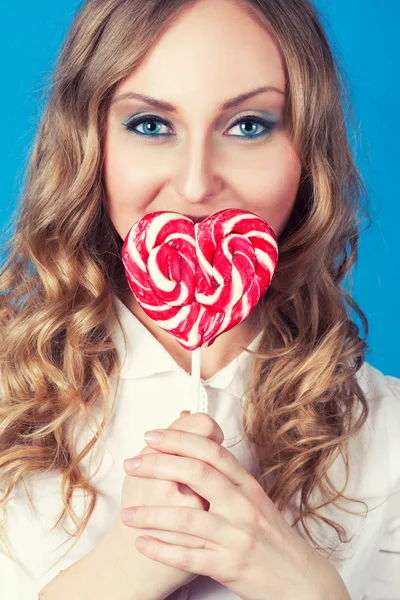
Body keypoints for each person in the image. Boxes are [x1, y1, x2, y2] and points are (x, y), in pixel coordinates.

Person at [0, 0, 399, 598]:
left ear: (307, 155)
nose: (194, 184)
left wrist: (310, 589)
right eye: (151, 125)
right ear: (91, 146)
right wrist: (128, 568)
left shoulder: (389, 435)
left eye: (248, 125)